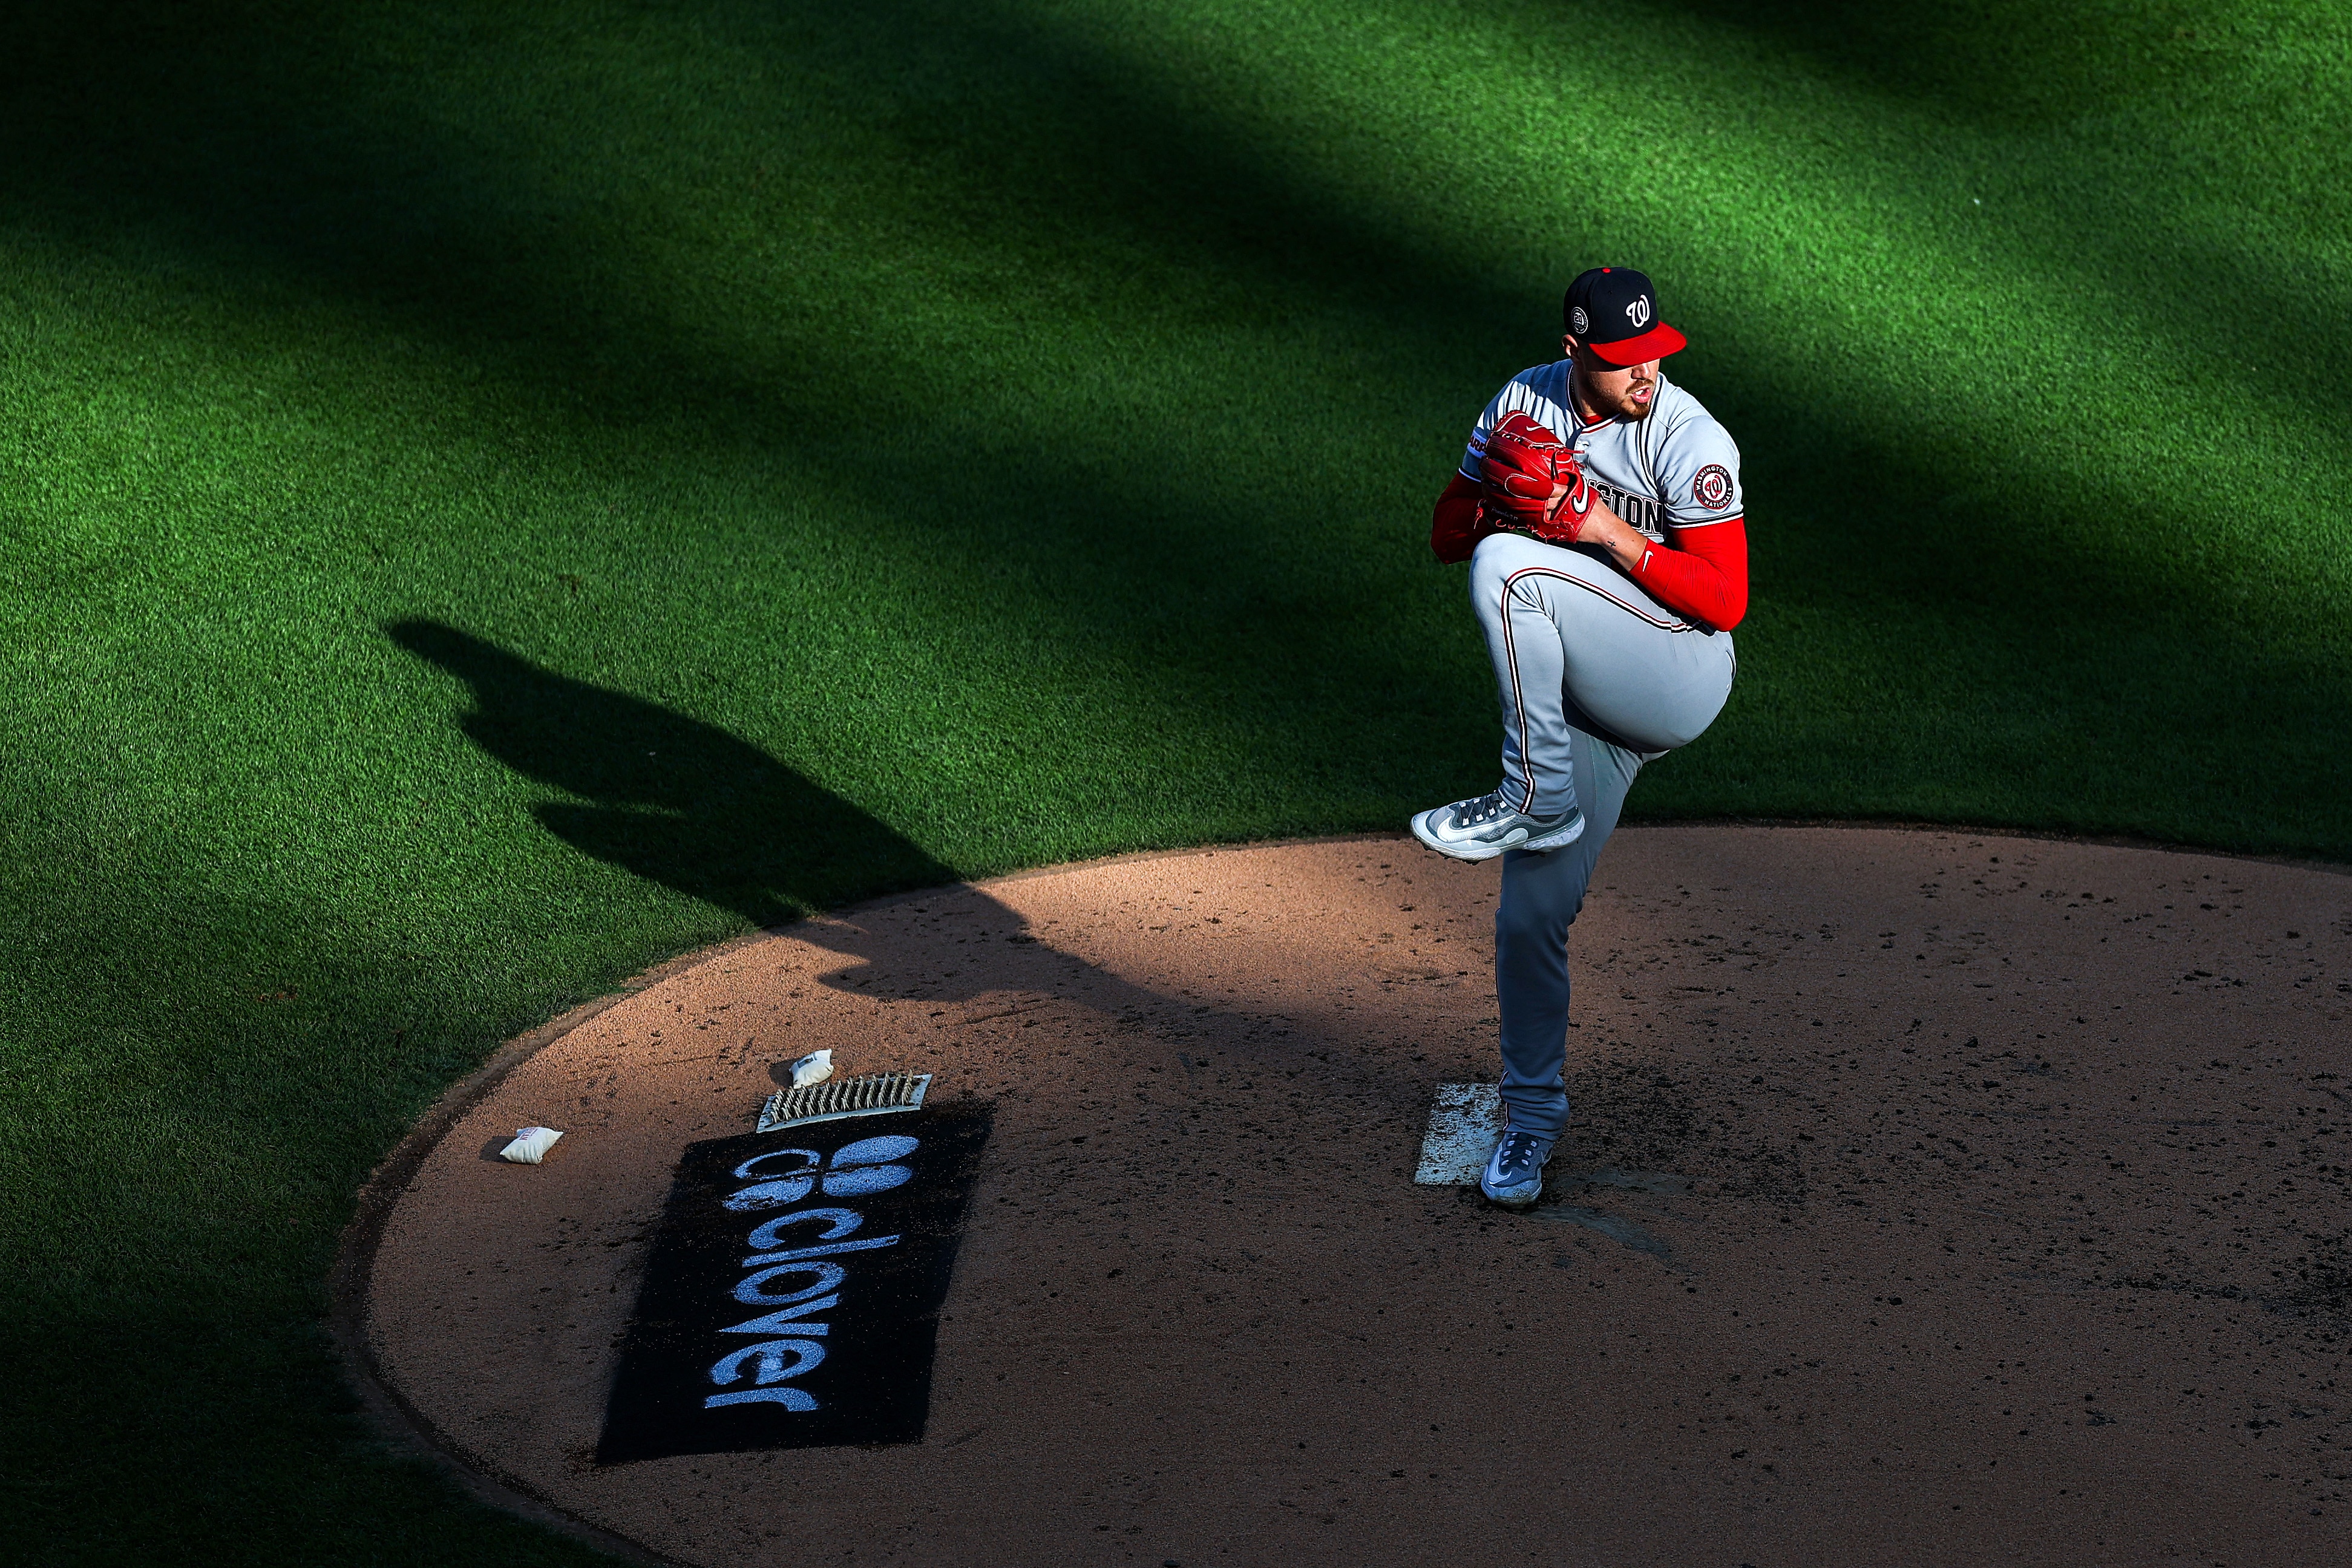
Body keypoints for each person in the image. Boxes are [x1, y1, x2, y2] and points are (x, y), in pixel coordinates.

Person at [1410, 266, 1749, 1206]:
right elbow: (1445, 529)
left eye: (1655, 352)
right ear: (1575, 354)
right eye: (1622, 358)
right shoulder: (1525, 398)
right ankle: (1528, 1127)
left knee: (1511, 571)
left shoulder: (1686, 436)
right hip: (1578, 709)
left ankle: (1532, 796)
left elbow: (1729, 600)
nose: (1645, 370)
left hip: (1676, 672)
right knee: (1526, 921)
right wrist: (1504, 502)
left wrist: (1601, 528)